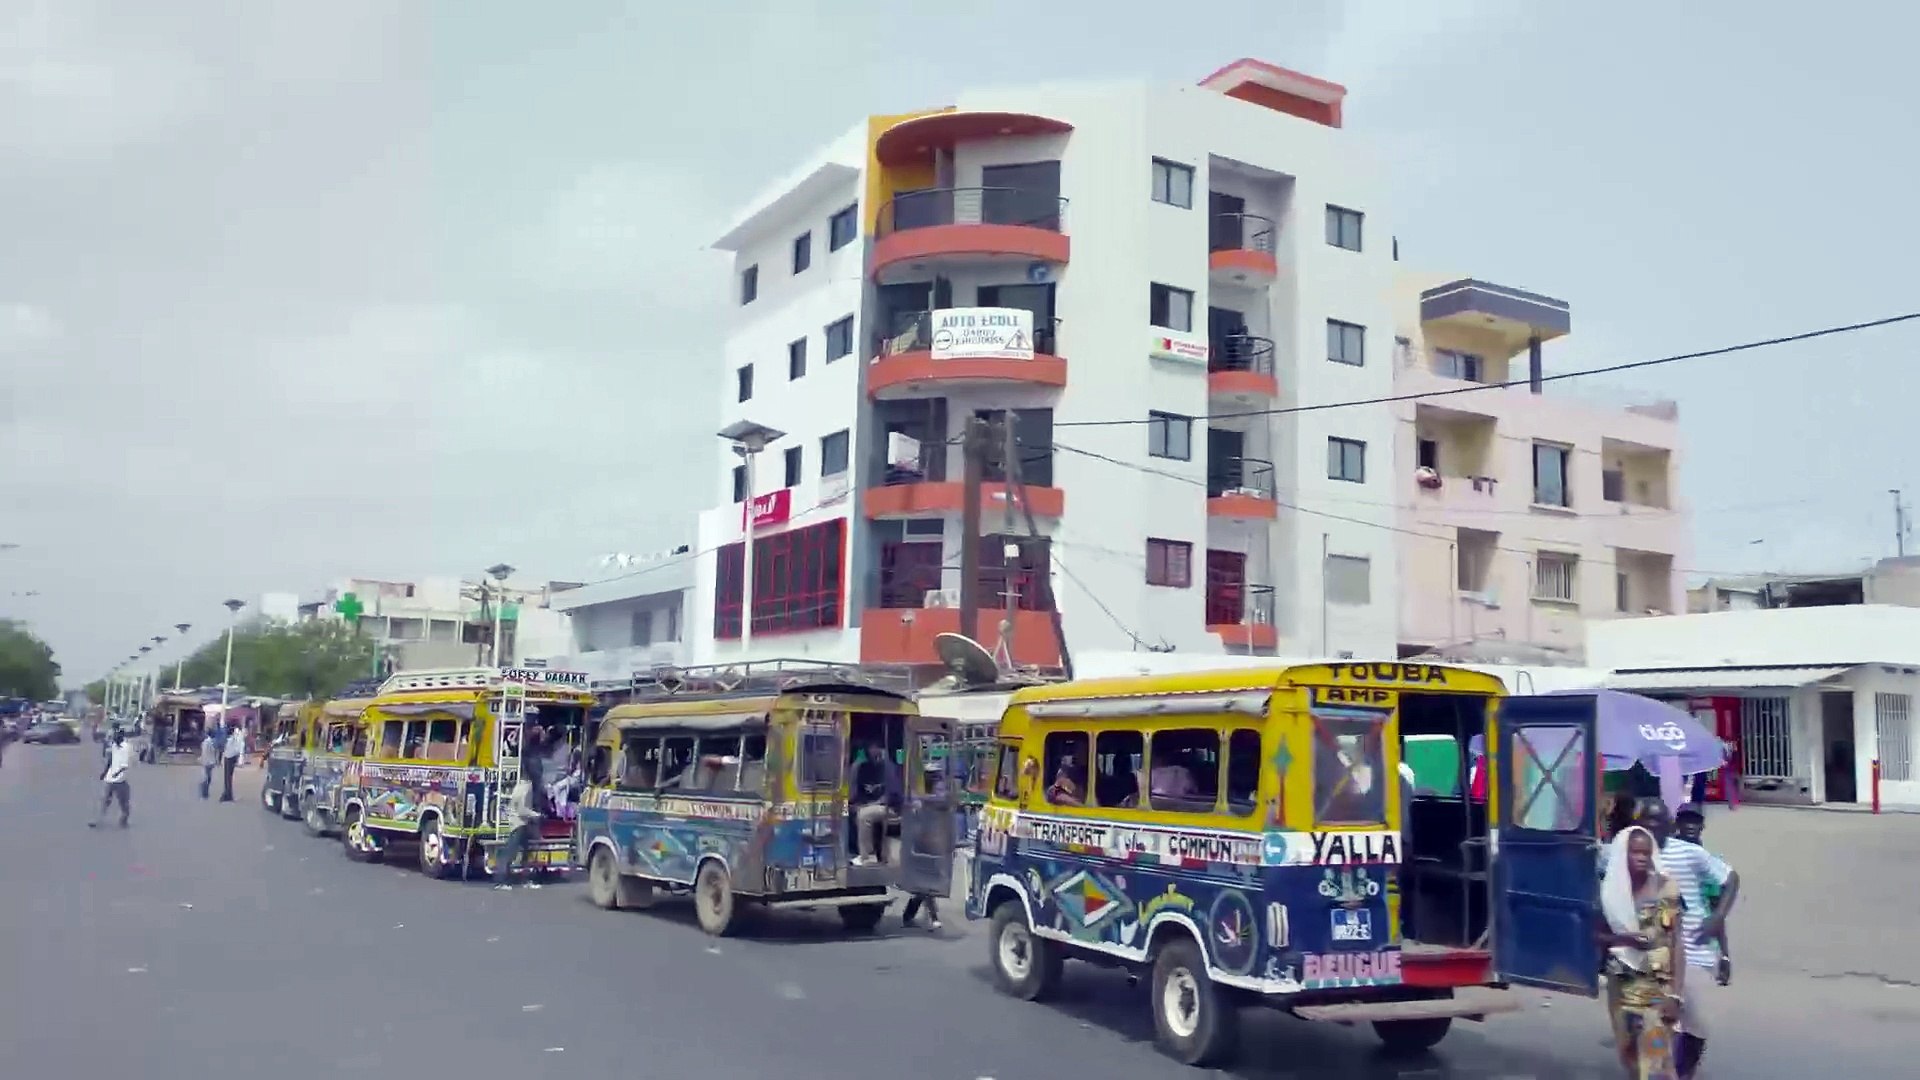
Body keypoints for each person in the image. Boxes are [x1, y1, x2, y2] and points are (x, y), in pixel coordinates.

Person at [1636, 799, 1738, 1079]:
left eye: (1657, 823)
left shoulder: (1693, 855)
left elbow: (1730, 881)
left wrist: (1720, 934)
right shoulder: (1633, 854)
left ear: (1668, 826)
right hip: (1653, 952)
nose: (1651, 829)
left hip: (1694, 952)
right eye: (1646, 823)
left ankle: (1683, 1071)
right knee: (1658, 1022)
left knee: (1697, 1024)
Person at [1599, 825, 1685, 1079]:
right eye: (1634, 852)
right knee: (1629, 1056)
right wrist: (1625, 939)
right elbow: (1596, 936)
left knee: (1656, 1055)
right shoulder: (1610, 892)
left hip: (1658, 986)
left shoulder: (1666, 888)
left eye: (1646, 853)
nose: (1641, 858)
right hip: (1622, 985)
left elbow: (1677, 941)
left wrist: (1676, 995)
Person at [1673, 804, 1733, 986]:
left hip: (1700, 945)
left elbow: (1716, 913)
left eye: (1695, 821)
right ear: (1677, 824)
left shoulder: (1712, 864)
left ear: (1702, 826)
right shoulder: (1665, 855)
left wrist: (1725, 956)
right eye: (1686, 821)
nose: (1690, 825)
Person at [850, 740, 899, 867]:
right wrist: (855, 803)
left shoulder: (889, 768)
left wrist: (868, 806)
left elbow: (889, 796)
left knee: (864, 815)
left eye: (876, 747)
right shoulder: (863, 768)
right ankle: (852, 851)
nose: (872, 750)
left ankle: (867, 857)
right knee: (850, 811)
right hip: (870, 805)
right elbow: (858, 792)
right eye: (870, 747)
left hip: (891, 807)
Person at [492, 772, 543, 890]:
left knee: (525, 852)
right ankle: (501, 881)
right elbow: (522, 809)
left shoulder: (519, 786)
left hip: (517, 823)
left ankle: (524, 879)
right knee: (511, 853)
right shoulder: (527, 788)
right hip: (519, 824)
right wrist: (536, 815)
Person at [89, 730, 135, 829]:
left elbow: (126, 765)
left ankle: (124, 820)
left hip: (121, 780)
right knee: (105, 800)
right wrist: (105, 772)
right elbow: (110, 761)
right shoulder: (114, 746)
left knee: (124, 802)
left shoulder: (127, 748)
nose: (115, 740)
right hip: (110, 779)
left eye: (117, 738)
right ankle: (97, 820)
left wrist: (116, 773)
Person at [219, 721, 245, 802]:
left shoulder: (235, 736)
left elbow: (239, 746)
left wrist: (239, 757)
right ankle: (227, 794)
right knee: (228, 777)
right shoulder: (235, 735)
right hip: (230, 756)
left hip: (230, 756)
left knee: (228, 776)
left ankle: (227, 794)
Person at [198, 726, 219, 799]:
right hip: (209, 761)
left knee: (207, 777)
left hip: (207, 761)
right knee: (207, 777)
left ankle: (204, 791)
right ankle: (204, 792)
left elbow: (205, 752)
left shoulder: (207, 742)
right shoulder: (209, 742)